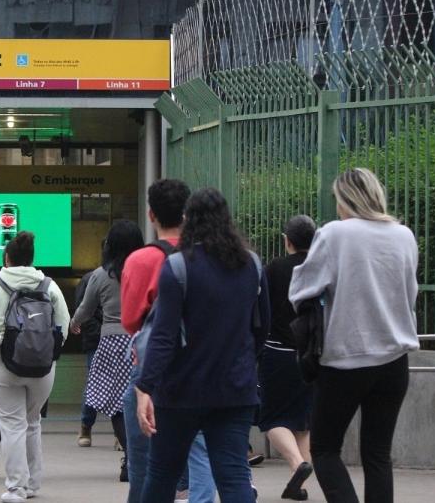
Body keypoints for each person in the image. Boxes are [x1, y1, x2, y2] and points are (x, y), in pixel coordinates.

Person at [289, 168, 419, 503]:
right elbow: (410, 293)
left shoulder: (334, 234)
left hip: (345, 358)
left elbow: (302, 289)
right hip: (394, 359)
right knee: (378, 454)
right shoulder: (404, 235)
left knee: (326, 450)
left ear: (345, 199)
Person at [136, 187, 270, 503]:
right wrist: (244, 363)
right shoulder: (251, 265)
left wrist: (146, 387)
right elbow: (263, 327)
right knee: (234, 475)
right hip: (234, 390)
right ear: (227, 220)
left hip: (180, 392)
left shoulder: (178, 267)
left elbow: (164, 337)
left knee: (162, 476)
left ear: (187, 220)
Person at [121, 179, 213, 503]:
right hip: (200, 366)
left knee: (145, 463)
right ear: (187, 214)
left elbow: (131, 320)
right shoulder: (206, 256)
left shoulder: (140, 260)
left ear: (151, 215)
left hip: (150, 371)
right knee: (201, 451)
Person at [0, 232, 70, 503]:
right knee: (33, 422)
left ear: (7, 259)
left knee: (12, 425)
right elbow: (64, 324)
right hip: (43, 367)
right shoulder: (49, 285)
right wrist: (47, 350)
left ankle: (15, 488)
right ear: (31, 259)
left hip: (3, 362)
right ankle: (33, 484)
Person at [71, 220, 145, 482]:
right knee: (144, 400)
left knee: (116, 405)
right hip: (143, 340)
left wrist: (74, 323)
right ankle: (142, 457)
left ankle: (130, 459)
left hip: (112, 343)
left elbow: (86, 309)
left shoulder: (101, 275)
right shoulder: (147, 269)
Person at [259, 215, 317, 501]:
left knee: (271, 418)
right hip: (314, 353)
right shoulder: (321, 267)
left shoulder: (274, 269)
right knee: (301, 419)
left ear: (288, 240)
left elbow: (262, 309)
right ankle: (300, 485)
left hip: (279, 351)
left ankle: (298, 465)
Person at [73, 268, 103, 448]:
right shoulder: (91, 278)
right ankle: (86, 425)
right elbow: (83, 308)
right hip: (97, 338)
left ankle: (120, 431)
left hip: (121, 334)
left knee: (123, 386)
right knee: (94, 383)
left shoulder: (128, 273)